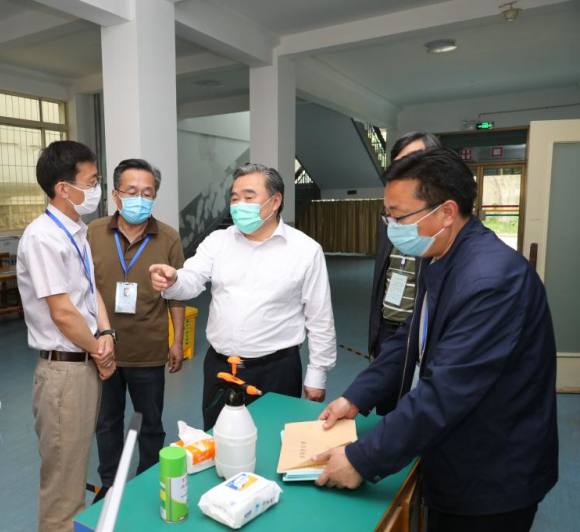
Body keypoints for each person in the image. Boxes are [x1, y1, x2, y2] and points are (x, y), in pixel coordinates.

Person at [314, 148, 558, 532]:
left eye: (399, 216)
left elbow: (446, 391)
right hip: (452, 451)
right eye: (387, 215)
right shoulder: (440, 252)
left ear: (446, 212)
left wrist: (362, 459)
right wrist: (357, 396)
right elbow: (410, 337)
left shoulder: (491, 281)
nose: (391, 227)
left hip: (492, 474)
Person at [151, 163, 337, 430]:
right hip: (220, 367)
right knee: (218, 440)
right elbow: (190, 281)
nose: (239, 205)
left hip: (277, 370)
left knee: (272, 441)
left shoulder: (305, 250)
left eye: (249, 197)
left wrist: (317, 374)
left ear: (275, 201)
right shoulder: (218, 241)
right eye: (234, 198)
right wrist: (173, 280)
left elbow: (320, 318)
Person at [16, 140, 116, 532]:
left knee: (74, 470)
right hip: (64, 372)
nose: (97, 189)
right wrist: (100, 351)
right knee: (63, 487)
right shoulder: (43, 237)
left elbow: (90, 291)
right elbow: (62, 312)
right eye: (91, 182)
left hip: (84, 361)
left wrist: (105, 334)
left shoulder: (77, 231)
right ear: (63, 188)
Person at [87, 158, 185, 502]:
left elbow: (177, 295)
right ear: (115, 195)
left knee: (150, 425)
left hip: (148, 350)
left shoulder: (168, 238)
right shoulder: (92, 233)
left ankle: (147, 483)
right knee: (107, 422)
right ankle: (110, 485)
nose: (139, 199)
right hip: (103, 352)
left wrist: (176, 341)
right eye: (131, 191)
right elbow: (82, 289)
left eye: (147, 193)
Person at [368, 132, 441, 414]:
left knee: (419, 411)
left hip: (423, 334)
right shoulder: (391, 215)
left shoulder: (444, 222)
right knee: (386, 407)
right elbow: (381, 279)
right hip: (390, 328)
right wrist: (376, 337)